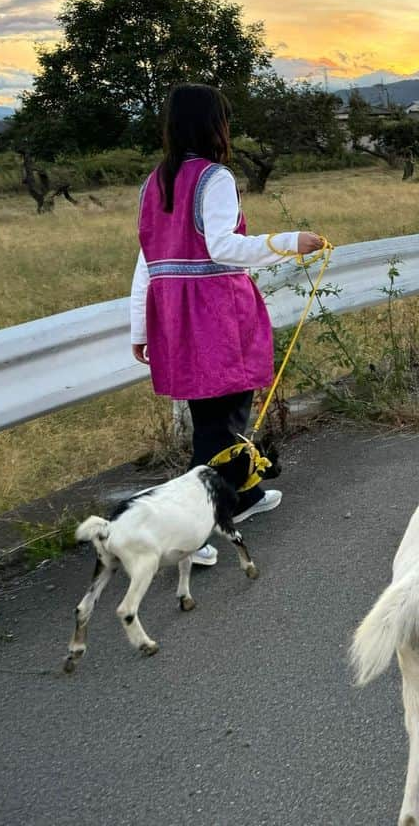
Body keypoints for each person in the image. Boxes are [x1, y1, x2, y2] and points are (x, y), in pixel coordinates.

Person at [130, 83, 325, 567]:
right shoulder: (215, 177)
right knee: (223, 417)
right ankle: (189, 533)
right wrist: (287, 241)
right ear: (213, 124)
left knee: (213, 411)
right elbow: (222, 247)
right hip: (216, 310)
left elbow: (146, 260)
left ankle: (245, 494)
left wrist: (140, 326)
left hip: (174, 311)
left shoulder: (153, 183)